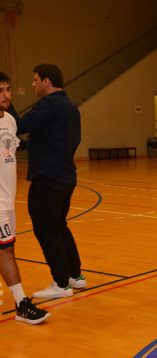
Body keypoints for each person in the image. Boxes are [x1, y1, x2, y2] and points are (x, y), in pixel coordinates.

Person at [8, 64, 85, 299]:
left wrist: (6, 102)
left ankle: (61, 283)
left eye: (35, 80)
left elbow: (19, 125)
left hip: (48, 179)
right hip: (65, 176)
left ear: (46, 81)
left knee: (46, 230)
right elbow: (51, 137)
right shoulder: (70, 106)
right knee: (59, 226)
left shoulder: (48, 104)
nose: (33, 84)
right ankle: (75, 276)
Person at [0, 72, 50, 324]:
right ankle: (21, 304)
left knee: (7, 248)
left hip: (8, 200)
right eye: (0, 91)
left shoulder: (10, 120)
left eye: (8, 89)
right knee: (5, 250)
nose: (6, 95)